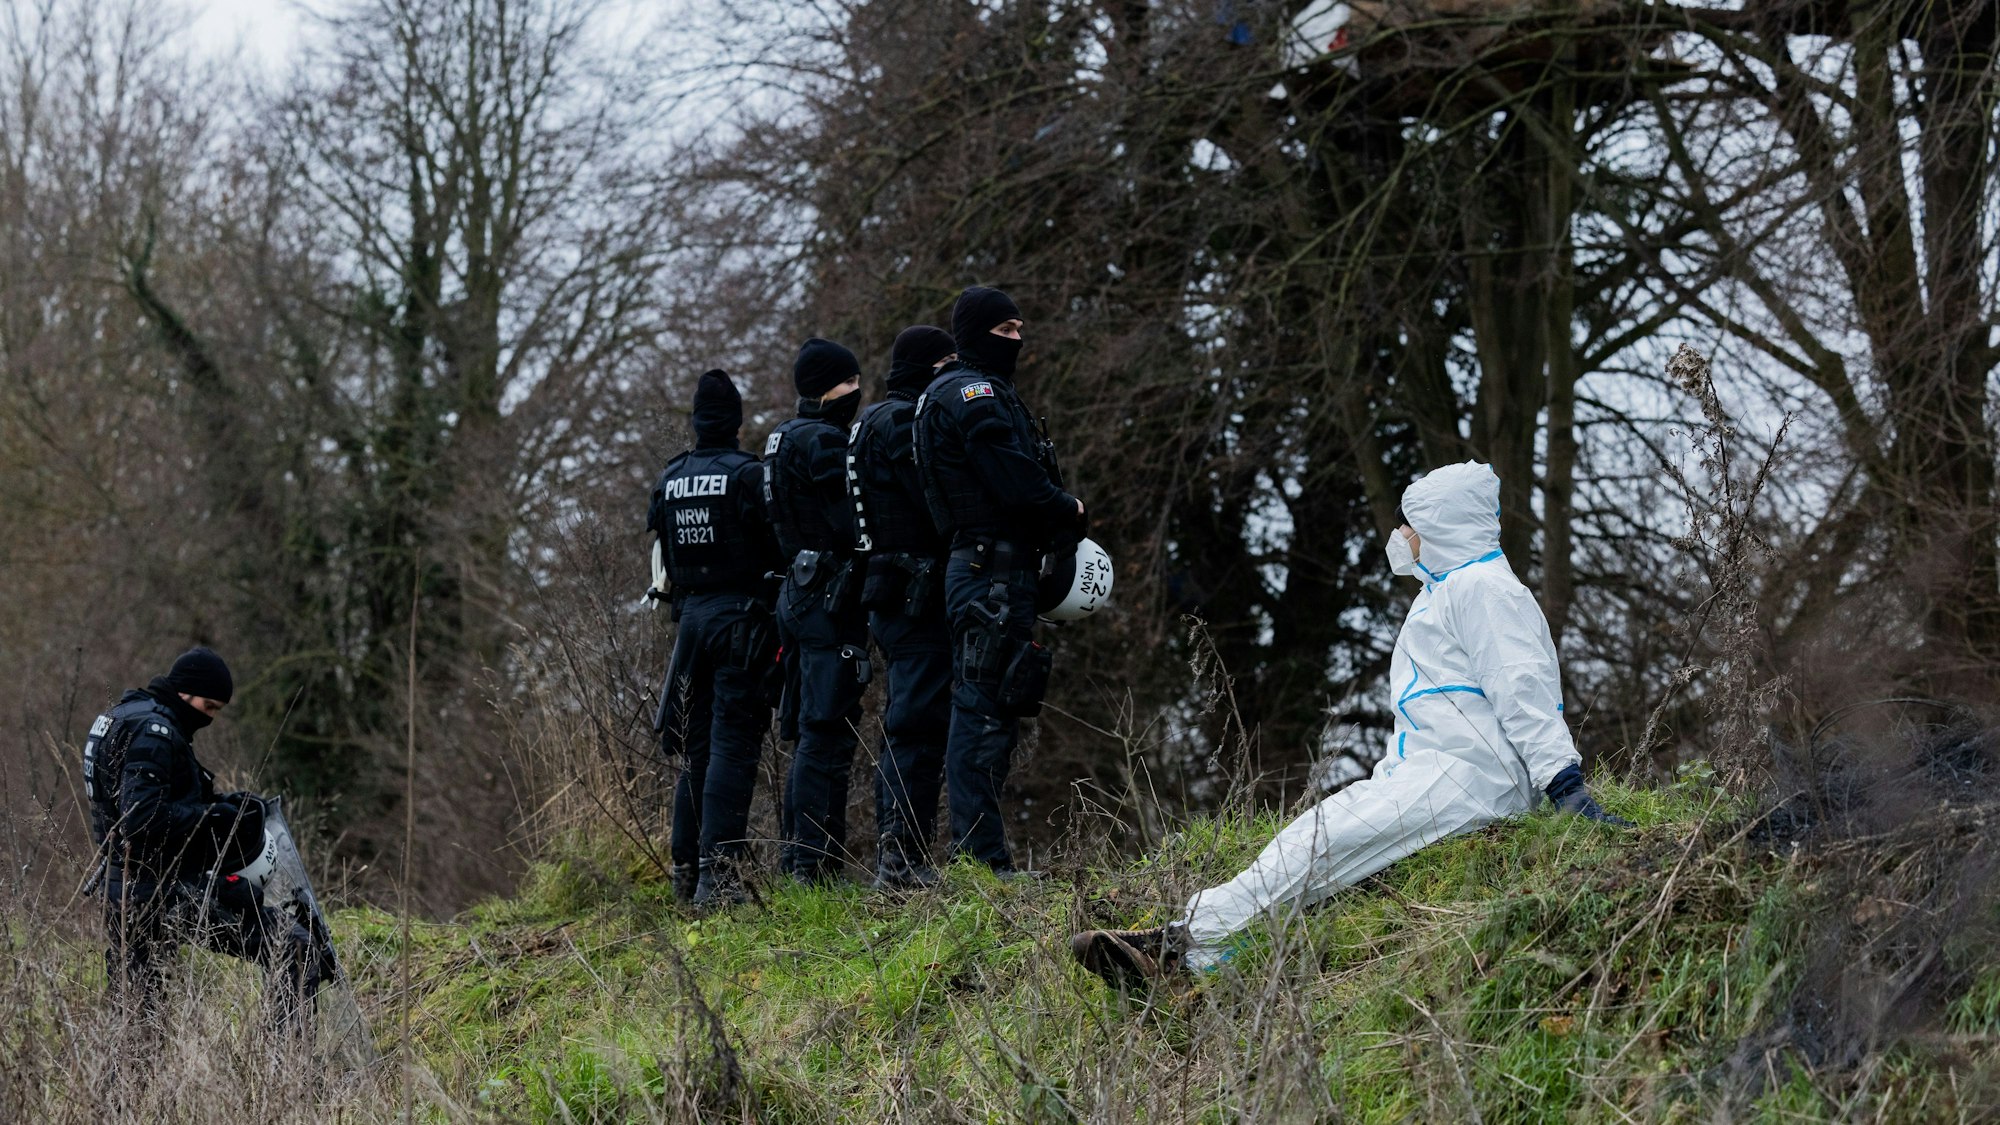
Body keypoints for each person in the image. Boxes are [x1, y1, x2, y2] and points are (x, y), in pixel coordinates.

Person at [1071, 462, 1631, 985]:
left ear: (1440, 526)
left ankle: (1175, 941)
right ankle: (1195, 968)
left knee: (1325, 842)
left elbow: (1522, 688)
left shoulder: (1482, 589)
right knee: (1324, 854)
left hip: (1472, 778)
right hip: (1428, 770)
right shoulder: (1443, 593)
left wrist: (1564, 785)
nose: (1401, 535)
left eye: (1410, 525)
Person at [913, 287, 1086, 874]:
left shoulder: (958, 392)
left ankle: (983, 858)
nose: (1017, 340)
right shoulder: (974, 393)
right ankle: (982, 863)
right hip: (989, 574)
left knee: (993, 710)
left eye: (1019, 329)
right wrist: (1067, 510)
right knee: (983, 713)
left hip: (988, 570)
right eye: (1006, 330)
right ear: (976, 333)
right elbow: (1014, 480)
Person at [84, 647, 322, 1030]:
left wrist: (222, 805)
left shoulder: (123, 717)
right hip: (159, 892)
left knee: (137, 1015)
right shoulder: (154, 732)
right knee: (294, 948)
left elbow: (151, 800)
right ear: (185, 690)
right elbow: (141, 819)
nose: (209, 717)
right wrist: (214, 817)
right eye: (208, 706)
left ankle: (122, 1073)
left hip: (125, 889)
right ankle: (287, 1065)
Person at [648, 369, 785, 907]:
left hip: (691, 625)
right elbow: (775, 549)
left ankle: (686, 874)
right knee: (733, 744)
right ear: (736, 421)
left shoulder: (670, 478)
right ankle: (720, 877)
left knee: (697, 749)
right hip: (740, 623)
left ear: (697, 420)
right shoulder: (747, 475)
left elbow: (664, 556)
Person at [849, 325, 959, 890]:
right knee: (916, 725)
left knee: (908, 722)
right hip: (913, 594)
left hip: (891, 590)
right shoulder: (900, 423)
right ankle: (901, 862)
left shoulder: (869, 420)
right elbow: (933, 498)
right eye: (946, 362)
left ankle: (900, 857)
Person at [766, 338, 871, 884]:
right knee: (825, 733)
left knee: (813, 730)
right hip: (828, 597)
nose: (857, 391)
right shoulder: (825, 441)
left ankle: (801, 862)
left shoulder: (781, 436)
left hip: (795, 593)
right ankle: (812, 867)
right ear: (826, 387)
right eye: (849, 382)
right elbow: (851, 524)